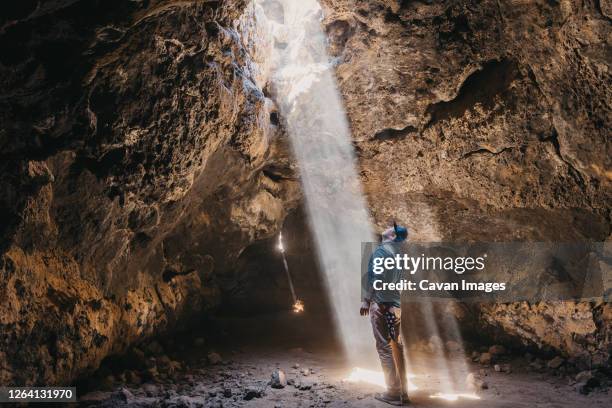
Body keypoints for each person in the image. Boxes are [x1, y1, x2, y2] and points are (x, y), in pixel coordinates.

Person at [360, 222, 409, 406]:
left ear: (393, 236)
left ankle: (393, 393)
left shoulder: (381, 252)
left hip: (381, 306)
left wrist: (367, 300)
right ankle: (403, 391)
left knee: (384, 347)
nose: (388, 226)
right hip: (395, 307)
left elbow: (377, 279)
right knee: (397, 347)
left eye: (392, 228)